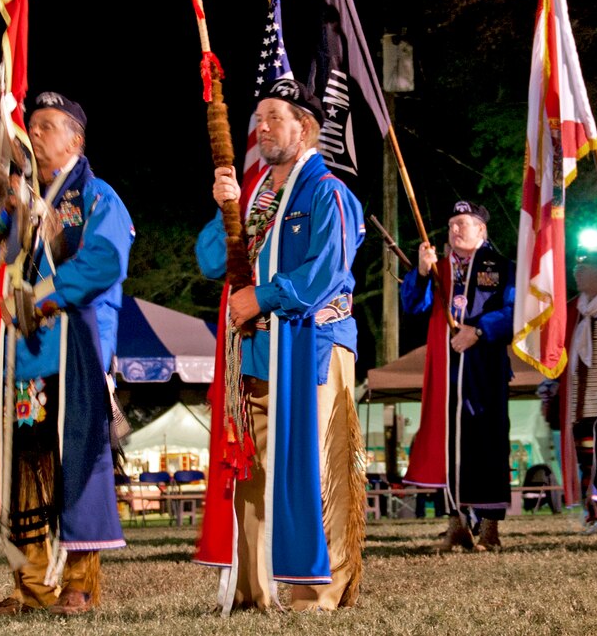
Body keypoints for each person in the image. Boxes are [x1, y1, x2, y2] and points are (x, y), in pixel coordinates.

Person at [194, 77, 366, 612]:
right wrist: (222, 205)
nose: (261, 128)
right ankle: (254, 591)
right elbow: (212, 262)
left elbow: (325, 272)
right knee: (253, 467)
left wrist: (262, 298)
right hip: (255, 353)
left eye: (274, 117)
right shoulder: (256, 200)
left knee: (315, 466)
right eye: (258, 119)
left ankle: (318, 590)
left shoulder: (329, 192)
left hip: (312, 346)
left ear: (305, 127)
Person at [0, 92, 134, 614]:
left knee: (77, 467)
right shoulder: (20, 202)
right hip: (27, 360)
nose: (35, 132)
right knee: (26, 473)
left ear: (76, 140)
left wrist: (40, 297)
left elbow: (105, 262)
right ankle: (32, 588)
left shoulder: (99, 197)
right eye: (31, 124)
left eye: (48, 125)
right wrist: (1, 213)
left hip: (78, 352)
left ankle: (79, 585)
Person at [401, 200, 515, 552]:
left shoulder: (501, 266)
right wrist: (420, 273)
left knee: (488, 442)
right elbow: (413, 306)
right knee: (449, 442)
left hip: (485, 368)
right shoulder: (438, 269)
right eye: (452, 223)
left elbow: (515, 310)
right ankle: (455, 524)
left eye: (463, 223)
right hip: (447, 369)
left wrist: (479, 332)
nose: (455, 229)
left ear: (481, 229)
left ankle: (490, 527)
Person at [557, 246, 597, 532]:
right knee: (587, 461)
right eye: (576, 267)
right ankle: (594, 513)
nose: (577, 272)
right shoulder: (574, 308)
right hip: (580, 401)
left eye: (586, 267)